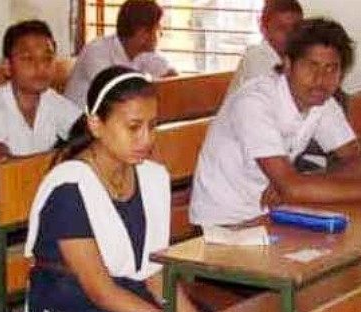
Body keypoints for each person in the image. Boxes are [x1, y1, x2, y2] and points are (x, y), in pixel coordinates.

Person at [25, 66, 276, 312]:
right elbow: (100, 290)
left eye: (152, 126)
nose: (145, 138)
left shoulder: (151, 177)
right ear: (96, 125)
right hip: (72, 308)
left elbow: (155, 273)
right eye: (133, 127)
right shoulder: (70, 187)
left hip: (132, 297)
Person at [190, 18, 361, 227]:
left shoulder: (322, 101)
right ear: (288, 65)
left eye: (331, 69)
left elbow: (355, 161)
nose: (320, 79)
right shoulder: (255, 102)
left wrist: (301, 184)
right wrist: (293, 187)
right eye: (311, 66)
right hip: (225, 223)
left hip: (275, 214)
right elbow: (292, 190)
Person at [0, 20, 81, 167]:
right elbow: (2, 163)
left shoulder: (51, 99)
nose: (40, 67)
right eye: (28, 59)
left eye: (47, 58)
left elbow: (89, 133)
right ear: (7, 66)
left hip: (35, 178)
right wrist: (59, 159)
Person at [64, 0, 176, 108]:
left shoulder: (144, 53)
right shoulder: (97, 51)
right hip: (80, 118)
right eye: (158, 28)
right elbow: (115, 94)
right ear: (142, 32)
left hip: (115, 117)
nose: (161, 33)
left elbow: (172, 78)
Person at [228, 0, 303, 94]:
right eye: (281, 28)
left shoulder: (298, 55)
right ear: (264, 29)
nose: (290, 34)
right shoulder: (256, 57)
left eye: (296, 28)